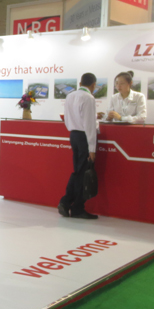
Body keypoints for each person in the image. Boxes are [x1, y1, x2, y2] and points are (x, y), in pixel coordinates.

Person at [58, 72, 98, 220]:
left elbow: (68, 119)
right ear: (93, 85)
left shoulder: (70, 96)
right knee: (83, 172)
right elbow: (90, 125)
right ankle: (76, 207)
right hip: (84, 137)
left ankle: (67, 202)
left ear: (80, 83)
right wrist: (92, 148)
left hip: (73, 135)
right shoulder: (89, 98)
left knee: (78, 171)